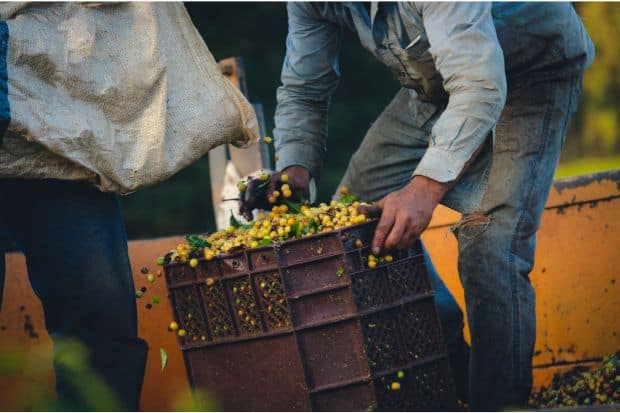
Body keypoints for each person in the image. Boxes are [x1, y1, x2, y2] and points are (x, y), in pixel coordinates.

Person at [241, 2, 593, 409]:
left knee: (491, 246)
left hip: (532, 68)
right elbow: (305, 87)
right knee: (355, 217)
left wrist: (423, 189)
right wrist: (294, 172)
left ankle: (499, 403)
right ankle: (448, 355)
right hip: (439, 84)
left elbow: (480, 87)